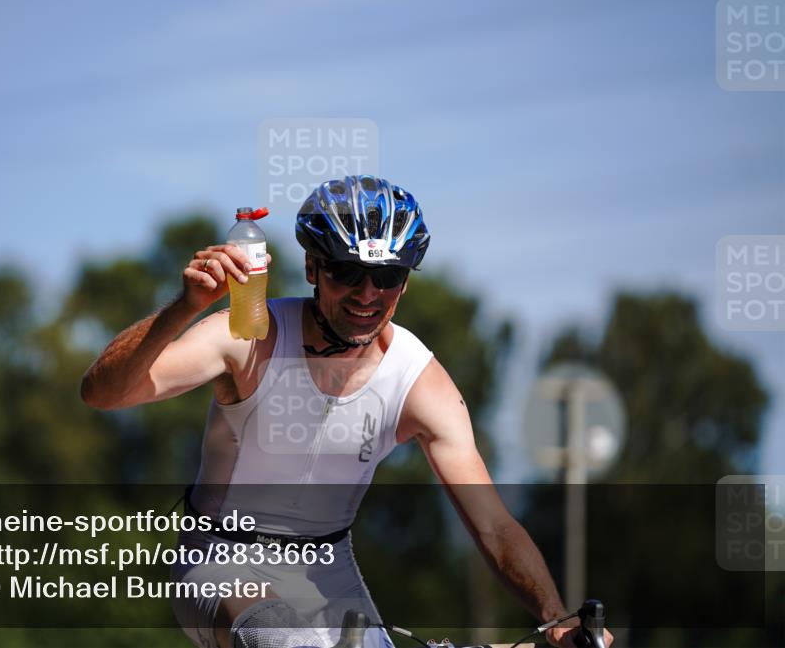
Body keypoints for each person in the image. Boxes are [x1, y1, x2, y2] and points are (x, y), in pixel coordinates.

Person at [81, 175, 614, 648]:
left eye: (387, 278)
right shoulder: (249, 335)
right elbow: (102, 393)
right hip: (223, 561)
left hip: (329, 569)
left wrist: (554, 617)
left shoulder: (417, 380)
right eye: (347, 272)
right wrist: (186, 308)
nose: (367, 293)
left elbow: (493, 525)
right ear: (313, 268)